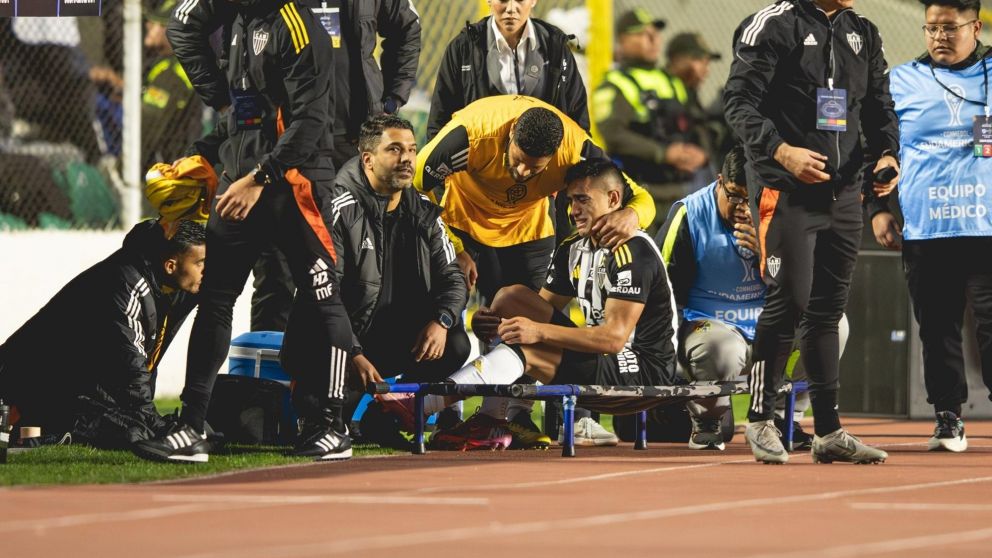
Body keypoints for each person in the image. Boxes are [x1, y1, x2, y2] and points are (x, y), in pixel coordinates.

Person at [135, 0, 354, 463]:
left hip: (293, 184)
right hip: (242, 183)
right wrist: (201, 155)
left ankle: (332, 426)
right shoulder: (240, 21)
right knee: (214, 300)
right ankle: (192, 425)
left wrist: (260, 178)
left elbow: (312, 122)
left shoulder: (299, 27)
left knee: (323, 298)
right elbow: (243, 116)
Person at [377, 160, 678, 449]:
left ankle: (427, 405)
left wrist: (537, 332)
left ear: (613, 199)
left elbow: (612, 339)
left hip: (642, 369)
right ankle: (492, 419)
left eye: (583, 200)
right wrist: (495, 322)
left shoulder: (633, 252)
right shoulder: (573, 248)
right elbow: (534, 309)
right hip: (601, 357)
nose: (573, 210)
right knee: (511, 298)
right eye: (571, 200)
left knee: (531, 346)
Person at [413, 95, 656, 449]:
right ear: (510, 136)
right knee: (476, 308)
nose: (525, 173)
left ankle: (504, 416)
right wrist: (456, 247)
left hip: (528, 228)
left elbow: (640, 197)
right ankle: (446, 413)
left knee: (518, 317)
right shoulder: (469, 135)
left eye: (536, 168)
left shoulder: (575, 149)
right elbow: (416, 185)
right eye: (519, 162)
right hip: (463, 221)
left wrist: (631, 215)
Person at [167, 0, 421, 332]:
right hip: (280, 146)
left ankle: (350, 360)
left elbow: (408, 27)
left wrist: (391, 100)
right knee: (276, 274)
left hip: (354, 143)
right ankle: (272, 363)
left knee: (356, 269)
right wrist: (224, 100)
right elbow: (183, 23)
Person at [724, 0, 899, 464]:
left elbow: (879, 107)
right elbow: (737, 104)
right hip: (785, 191)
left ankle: (828, 431)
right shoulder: (771, 25)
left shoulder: (864, 31)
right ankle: (759, 419)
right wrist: (781, 151)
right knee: (789, 301)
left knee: (827, 311)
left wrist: (888, 153)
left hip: (845, 195)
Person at [657, 145, 850, 451]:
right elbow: (661, 289)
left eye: (752, 199)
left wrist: (768, 254)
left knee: (835, 324)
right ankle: (707, 420)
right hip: (709, 326)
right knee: (722, 347)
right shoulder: (689, 214)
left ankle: (784, 418)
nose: (744, 209)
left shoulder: (784, 209)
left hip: (770, 326)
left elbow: (804, 286)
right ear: (720, 181)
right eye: (735, 196)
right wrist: (668, 352)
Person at [869, 0, 992, 453]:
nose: (940, 36)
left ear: (975, 27)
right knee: (937, 329)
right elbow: (878, 148)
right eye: (932, 28)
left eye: (950, 27)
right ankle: (948, 417)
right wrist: (878, 209)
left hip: (986, 227)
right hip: (927, 229)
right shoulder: (901, 81)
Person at [329, 114, 470, 447]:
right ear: (368, 159)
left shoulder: (423, 210)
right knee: (325, 428)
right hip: (341, 342)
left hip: (396, 338)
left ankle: (384, 418)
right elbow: (323, 297)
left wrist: (442, 320)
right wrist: (353, 352)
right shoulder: (339, 209)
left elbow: (453, 278)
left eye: (412, 149)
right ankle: (325, 417)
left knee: (455, 343)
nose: (407, 158)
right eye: (394, 149)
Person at [0, 220, 204, 449]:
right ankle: (39, 434)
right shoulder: (127, 284)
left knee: (135, 427)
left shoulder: (155, 279)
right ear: (170, 266)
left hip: (69, 386)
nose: (206, 271)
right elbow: (132, 363)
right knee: (134, 433)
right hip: (29, 384)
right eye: (200, 263)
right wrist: (156, 423)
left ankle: (43, 431)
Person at [592, 8, 708, 228]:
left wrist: (700, 154)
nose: (654, 39)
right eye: (643, 34)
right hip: (640, 198)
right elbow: (614, 135)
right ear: (623, 40)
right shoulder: (614, 84)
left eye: (655, 33)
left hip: (684, 194)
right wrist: (664, 153)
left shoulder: (672, 81)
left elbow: (696, 125)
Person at [427, 0, 588, 140]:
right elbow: (439, 124)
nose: (511, 8)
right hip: (478, 163)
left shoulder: (556, 48)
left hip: (544, 162)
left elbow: (579, 124)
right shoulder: (462, 49)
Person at [142, 0, 203, 170]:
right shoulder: (180, 62)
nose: (148, 25)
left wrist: (122, 170)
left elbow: (148, 127)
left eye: (157, 23)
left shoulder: (173, 72)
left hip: (172, 169)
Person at [664, 32, 732, 174]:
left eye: (706, 63)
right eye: (698, 60)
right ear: (677, 60)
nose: (705, 70)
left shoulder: (688, 92)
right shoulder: (663, 91)